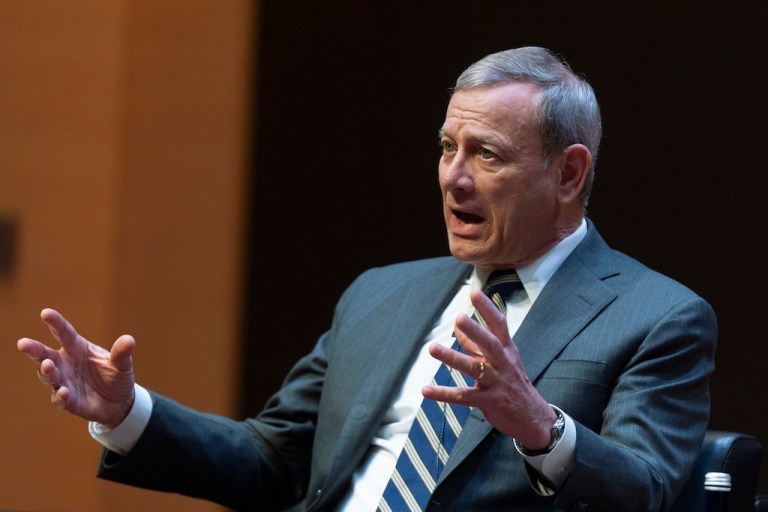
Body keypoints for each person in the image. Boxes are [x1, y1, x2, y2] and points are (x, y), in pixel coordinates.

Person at [17, 46, 716, 512]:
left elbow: (650, 491)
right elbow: (273, 459)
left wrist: (540, 426)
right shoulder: (382, 293)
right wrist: (127, 412)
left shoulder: (657, 316)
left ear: (568, 173)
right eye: (447, 147)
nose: (454, 177)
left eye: (487, 155)